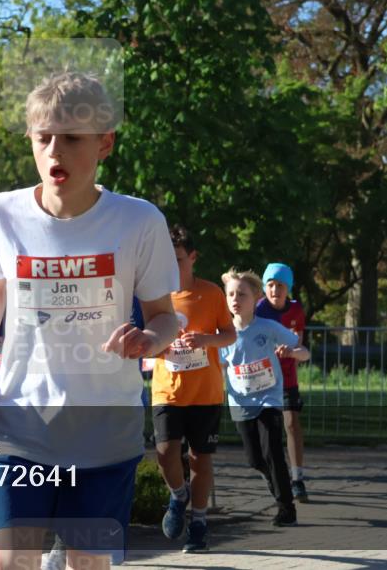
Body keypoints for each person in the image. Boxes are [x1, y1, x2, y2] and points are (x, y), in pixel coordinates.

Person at [0, 71, 180, 570]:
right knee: (7, 564)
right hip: (22, 425)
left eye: (72, 138)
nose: (55, 151)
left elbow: (165, 318)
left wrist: (147, 339)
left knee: (86, 564)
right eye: (44, 137)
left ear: (104, 143)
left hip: (105, 430)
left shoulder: (139, 221)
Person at [153, 227, 236, 553]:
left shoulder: (211, 293)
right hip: (167, 390)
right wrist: (155, 345)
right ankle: (178, 495)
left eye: (177, 259)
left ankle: (199, 524)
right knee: (165, 453)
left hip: (205, 392)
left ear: (192, 257)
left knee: (200, 459)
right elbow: (144, 337)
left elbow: (230, 334)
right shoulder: (154, 294)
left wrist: (206, 340)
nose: (171, 266)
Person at [220, 268, 309, 527]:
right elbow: (219, 365)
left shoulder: (268, 327)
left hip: (269, 397)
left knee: (273, 450)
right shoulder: (223, 334)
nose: (235, 299)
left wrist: (292, 353)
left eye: (242, 295)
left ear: (256, 298)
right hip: (240, 401)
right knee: (255, 459)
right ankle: (275, 481)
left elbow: (304, 352)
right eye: (231, 294)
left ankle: (286, 508)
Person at [254, 262, 309, 502]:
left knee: (291, 424)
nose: (275, 290)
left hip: (286, 376)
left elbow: (299, 343)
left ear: (289, 288)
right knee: (265, 431)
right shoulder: (258, 309)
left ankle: (297, 478)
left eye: (280, 286)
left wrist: (291, 352)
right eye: (271, 285)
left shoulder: (296, 310)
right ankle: (273, 473)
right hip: (262, 378)